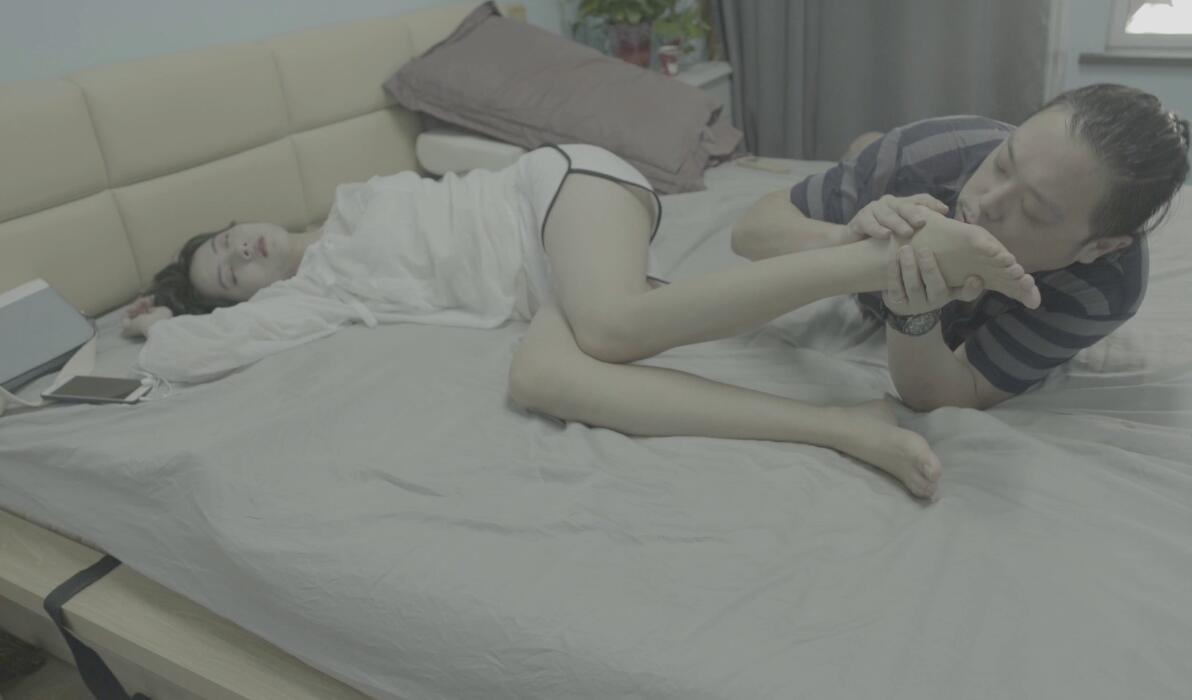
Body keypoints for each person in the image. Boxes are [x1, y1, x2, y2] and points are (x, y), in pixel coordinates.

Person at [121, 143, 1039, 501]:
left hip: (562, 189)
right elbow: (201, 349)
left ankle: (881, 260)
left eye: (226, 239)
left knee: (606, 326)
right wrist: (155, 322)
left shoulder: (353, 196)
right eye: (230, 274)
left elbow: (470, 161)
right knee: (543, 378)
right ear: (250, 298)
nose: (242, 251)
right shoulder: (311, 297)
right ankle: (842, 426)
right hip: (549, 278)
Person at [732, 83, 1190, 412]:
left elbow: (951, 391)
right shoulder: (930, 154)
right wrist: (851, 243)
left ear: (1099, 245)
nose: (986, 203)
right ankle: (863, 150)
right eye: (1003, 163)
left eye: (1033, 211)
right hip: (907, 160)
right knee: (869, 156)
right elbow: (752, 230)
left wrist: (913, 311)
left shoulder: (1103, 290)